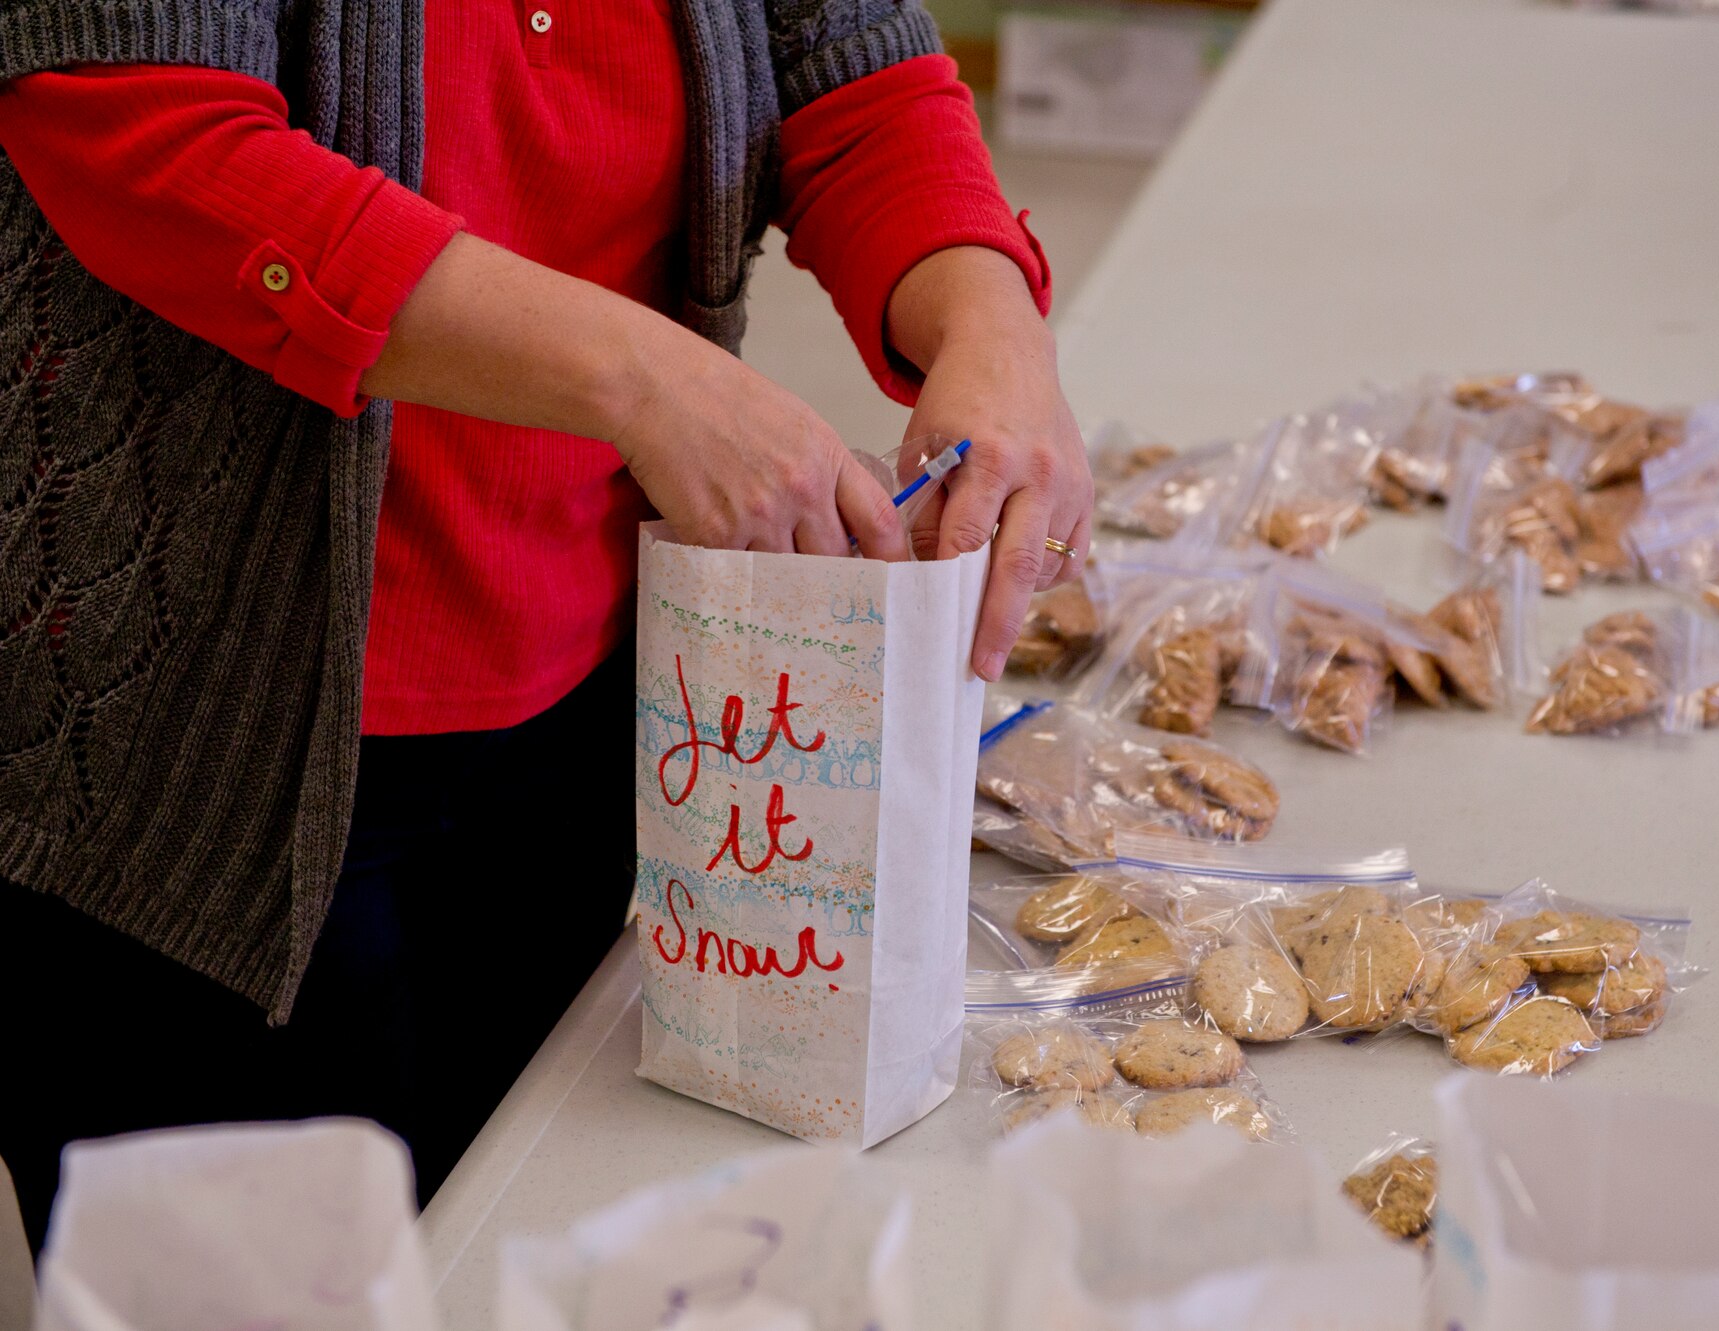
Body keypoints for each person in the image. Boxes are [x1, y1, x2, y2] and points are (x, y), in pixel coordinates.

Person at [0, 0, 1092, 1248]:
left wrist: (991, 321)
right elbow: (152, 139)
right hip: (189, 757)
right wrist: (647, 380)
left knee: (537, 1242)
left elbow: (848, 72)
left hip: (599, 700)